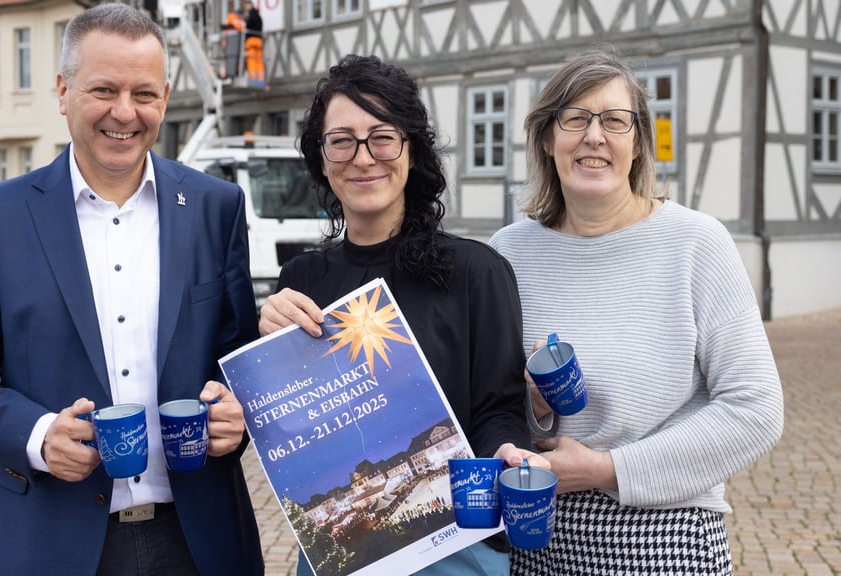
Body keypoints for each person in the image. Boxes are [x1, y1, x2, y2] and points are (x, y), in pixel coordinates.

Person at [0, 4, 263, 576]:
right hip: (47, 540)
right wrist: (37, 436)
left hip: (199, 540)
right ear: (63, 91)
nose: (125, 113)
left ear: (166, 95)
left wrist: (241, 413)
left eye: (145, 94)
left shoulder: (216, 206)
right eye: (104, 89)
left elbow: (237, 362)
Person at [489, 46, 785, 575]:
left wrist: (606, 469)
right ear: (547, 138)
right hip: (538, 536)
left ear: (638, 141)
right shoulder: (509, 253)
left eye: (615, 121)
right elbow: (488, 404)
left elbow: (755, 409)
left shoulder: (695, 242)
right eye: (575, 118)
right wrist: (532, 407)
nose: (594, 136)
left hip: (666, 535)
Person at [258, 54, 540, 576]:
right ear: (322, 159)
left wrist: (505, 450)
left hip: (457, 553)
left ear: (412, 152)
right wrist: (268, 351)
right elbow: (296, 432)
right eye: (341, 140)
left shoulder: (476, 271)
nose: (363, 157)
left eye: (382, 136)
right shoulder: (302, 281)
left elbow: (500, 407)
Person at [242, 0, 265, 87]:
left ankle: (253, 79)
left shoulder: (250, 15)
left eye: (246, 6)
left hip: (251, 41)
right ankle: (260, 79)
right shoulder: (258, 15)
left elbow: (247, 27)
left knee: (251, 60)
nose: (246, 8)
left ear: (249, 5)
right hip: (258, 41)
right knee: (259, 61)